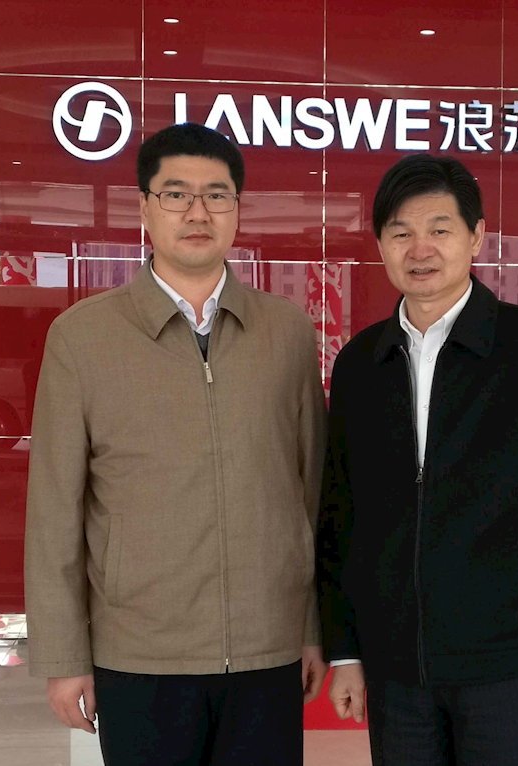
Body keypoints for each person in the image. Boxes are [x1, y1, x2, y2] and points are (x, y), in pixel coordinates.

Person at [24, 122, 328, 766]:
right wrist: (64, 657)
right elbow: (54, 511)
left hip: (267, 647)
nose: (197, 212)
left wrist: (309, 628)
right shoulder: (82, 337)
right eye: (175, 194)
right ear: (144, 207)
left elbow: (310, 492)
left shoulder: (287, 333)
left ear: (237, 209)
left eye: (217, 195)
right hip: (139, 651)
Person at [317, 154, 518, 766]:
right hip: (397, 671)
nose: (420, 249)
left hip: (512, 665)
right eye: (401, 232)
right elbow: (341, 516)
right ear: (380, 244)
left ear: (476, 236)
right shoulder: (360, 365)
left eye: (440, 229)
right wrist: (345, 651)